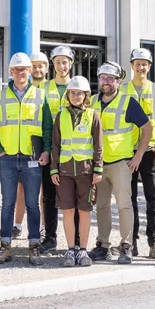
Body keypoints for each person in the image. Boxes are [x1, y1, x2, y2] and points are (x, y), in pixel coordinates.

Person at [0, 52, 52, 266]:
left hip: (31, 158)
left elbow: (46, 126)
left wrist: (45, 151)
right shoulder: (0, 95)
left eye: (24, 69)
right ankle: (5, 245)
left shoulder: (40, 95)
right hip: (7, 158)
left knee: (32, 204)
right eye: (16, 70)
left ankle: (34, 245)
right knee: (7, 204)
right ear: (10, 72)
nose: (20, 73)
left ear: (30, 71)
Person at [89, 62, 151, 264]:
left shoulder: (128, 102)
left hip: (121, 163)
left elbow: (147, 128)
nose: (106, 82)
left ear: (118, 81)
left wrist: (139, 155)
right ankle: (103, 245)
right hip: (99, 164)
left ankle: (127, 246)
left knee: (124, 206)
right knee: (102, 206)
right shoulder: (91, 102)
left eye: (110, 78)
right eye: (102, 78)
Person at [50, 76, 102, 268]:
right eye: (72, 92)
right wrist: (53, 169)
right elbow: (55, 144)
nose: (75, 96)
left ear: (86, 95)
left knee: (85, 210)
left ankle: (83, 250)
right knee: (68, 210)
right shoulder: (61, 115)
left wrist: (98, 169)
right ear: (68, 95)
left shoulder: (93, 115)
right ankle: (70, 249)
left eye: (79, 93)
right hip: (64, 171)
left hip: (86, 171)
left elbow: (98, 144)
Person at [126, 47, 155, 258]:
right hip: (127, 152)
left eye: (145, 64)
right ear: (131, 65)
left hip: (150, 152)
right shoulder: (122, 90)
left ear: (149, 67)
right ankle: (131, 243)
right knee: (129, 199)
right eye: (137, 63)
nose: (141, 67)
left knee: (153, 198)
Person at [39, 45, 75, 253]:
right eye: (58, 62)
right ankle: (50, 237)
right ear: (52, 65)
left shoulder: (78, 87)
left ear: (70, 63)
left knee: (75, 196)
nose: (61, 66)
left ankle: (76, 238)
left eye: (65, 62)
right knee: (49, 196)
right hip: (50, 149)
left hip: (72, 152)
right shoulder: (43, 88)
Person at [12, 50, 50, 239]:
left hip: (43, 147)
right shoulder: (23, 87)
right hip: (24, 147)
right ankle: (17, 225)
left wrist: (48, 148)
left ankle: (43, 228)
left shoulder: (49, 90)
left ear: (46, 68)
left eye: (40, 65)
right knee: (22, 189)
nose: (37, 69)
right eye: (33, 66)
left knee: (43, 191)